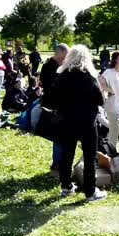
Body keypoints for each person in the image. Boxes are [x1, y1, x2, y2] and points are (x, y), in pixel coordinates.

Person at [49, 45, 107, 202]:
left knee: (67, 154)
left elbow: (52, 100)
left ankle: (66, 186)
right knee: (89, 157)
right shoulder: (88, 76)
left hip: (66, 120)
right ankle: (90, 191)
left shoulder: (62, 76)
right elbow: (100, 99)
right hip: (86, 121)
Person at [39, 43, 69, 171]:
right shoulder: (48, 67)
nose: (67, 57)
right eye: (65, 54)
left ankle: (62, 162)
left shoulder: (63, 66)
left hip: (63, 105)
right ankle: (57, 163)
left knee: (64, 135)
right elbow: (49, 86)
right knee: (58, 136)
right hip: (53, 106)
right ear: (59, 53)